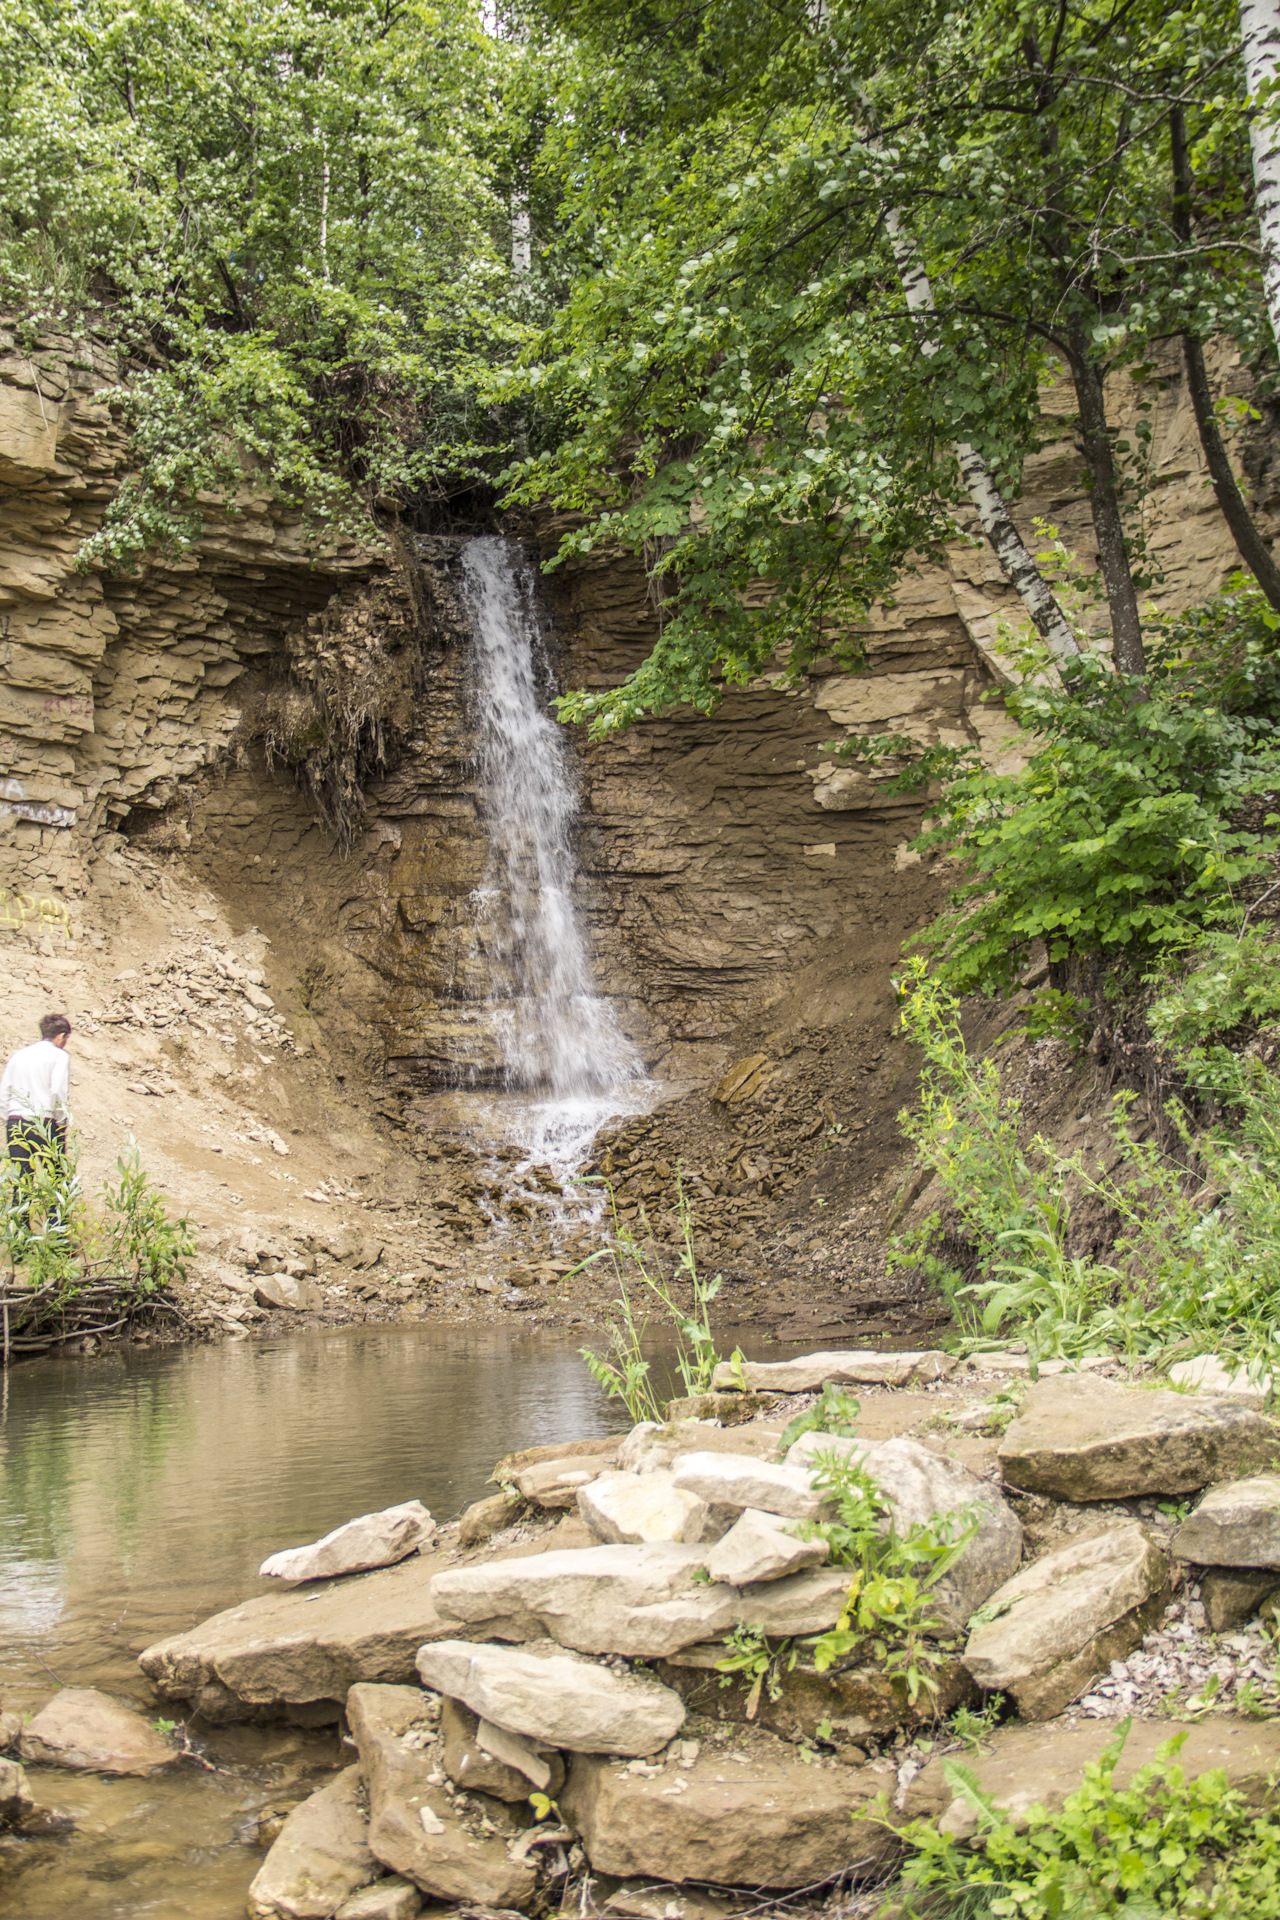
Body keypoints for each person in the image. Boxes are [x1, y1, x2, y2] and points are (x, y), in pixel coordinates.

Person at [2, 1013, 72, 1184]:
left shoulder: (19, 1055)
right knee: (56, 1178)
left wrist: (10, 1120)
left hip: (16, 1121)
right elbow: (57, 1091)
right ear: (61, 1036)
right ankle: (55, 1211)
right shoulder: (59, 1056)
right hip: (44, 1121)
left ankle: (20, 1211)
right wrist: (61, 1120)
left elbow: (4, 1092)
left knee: (22, 1180)